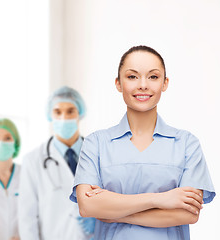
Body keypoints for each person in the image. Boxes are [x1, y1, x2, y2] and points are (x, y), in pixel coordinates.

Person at [70, 45, 216, 239]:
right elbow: (87, 206)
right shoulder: (96, 143)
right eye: (132, 77)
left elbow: (187, 213)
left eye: (153, 77)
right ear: (118, 83)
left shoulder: (186, 144)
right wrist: (162, 199)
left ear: (165, 83)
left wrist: (115, 212)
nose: (143, 85)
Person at [18, 86, 95, 240]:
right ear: (50, 115)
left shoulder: (98, 154)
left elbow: (113, 202)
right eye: (57, 112)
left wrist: (98, 220)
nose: (64, 117)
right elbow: (27, 218)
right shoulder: (33, 160)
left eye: (70, 111)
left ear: (80, 113)